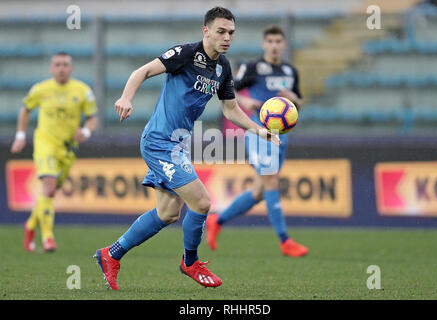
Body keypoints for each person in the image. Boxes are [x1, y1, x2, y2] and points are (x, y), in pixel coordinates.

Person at [93, 7, 280, 290]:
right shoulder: (185, 54)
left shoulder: (222, 67)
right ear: (206, 31)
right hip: (159, 143)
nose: (227, 37)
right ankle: (189, 262)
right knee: (202, 202)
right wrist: (126, 98)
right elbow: (141, 71)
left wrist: (259, 130)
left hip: (177, 145)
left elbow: (231, 109)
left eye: (231, 33)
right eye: (221, 31)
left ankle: (111, 254)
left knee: (167, 213)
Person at [206, 25, 308, 258]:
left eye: (278, 41)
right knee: (270, 180)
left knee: (260, 191)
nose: (274, 45)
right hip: (259, 132)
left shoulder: (290, 71)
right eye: (270, 41)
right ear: (264, 44)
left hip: (282, 135)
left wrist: (294, 99)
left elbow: (299, 102)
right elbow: (226, 89)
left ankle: (217, 221)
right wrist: (245, 102)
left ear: (283, 44)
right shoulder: (253, 68)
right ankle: (285, 241)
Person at [10, 52, 98, 252]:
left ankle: (30, 225)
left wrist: (85, 130)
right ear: (51, 68)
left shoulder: (83, 90)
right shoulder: (41, 89)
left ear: (71, 68)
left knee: (50, 192)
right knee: (48, 186)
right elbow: (25, 109)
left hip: (67, 148)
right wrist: (21, 136)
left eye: (65, 64)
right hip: (45, 144)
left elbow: (93, 118)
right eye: (57, 64)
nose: (61, 68)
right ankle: (48, 238)